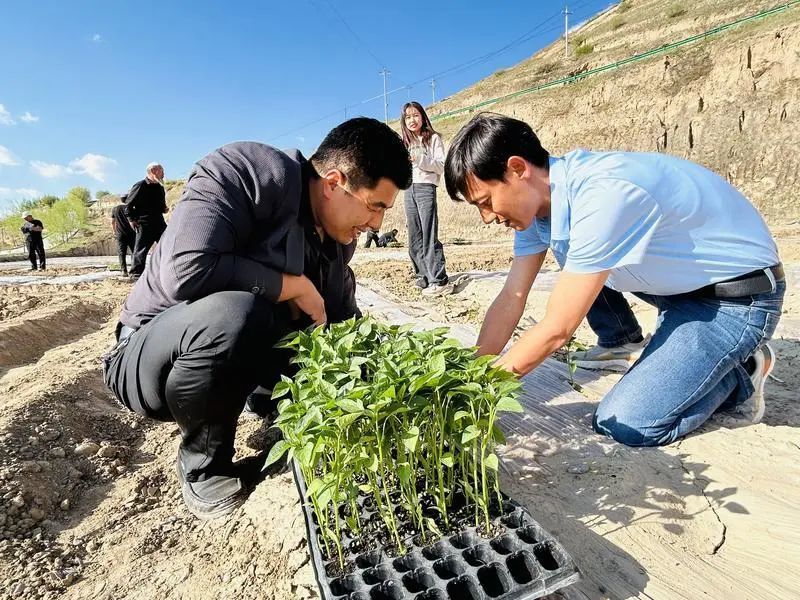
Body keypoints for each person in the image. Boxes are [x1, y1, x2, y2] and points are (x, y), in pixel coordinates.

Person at [102, 118, 411, 519]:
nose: (376, 225)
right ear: (334, 182)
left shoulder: (335, 240)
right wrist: (291, 286)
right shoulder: (249, 172)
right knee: (238, 313)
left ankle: (272, 406)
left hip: (235, 357)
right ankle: (203, 465)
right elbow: (187, 271)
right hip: (152, 361)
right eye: (375, 207)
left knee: (319, 326)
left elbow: (342, 323)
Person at [444, 113, 783, 447]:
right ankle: (627, 339)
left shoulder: (604, 195)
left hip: (735, 299)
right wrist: (471, 374)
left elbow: (558, 328)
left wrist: (481, 392)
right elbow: (511, 296)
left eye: (486, 202)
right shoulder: (536, 210)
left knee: (627, 423)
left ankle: (743, 371)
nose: (487, 218)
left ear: (518, 169)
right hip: (678, 289)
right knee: (580, 269)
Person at [400, 101, 451, 296]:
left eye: (415, 115)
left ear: (422, 117)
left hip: (425, 187)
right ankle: (423, 276)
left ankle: (440, 279)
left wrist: (419, 159)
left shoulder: (433, 139)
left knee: (429, 232)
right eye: (408, 117)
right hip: (409, 189)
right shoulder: (405, 142)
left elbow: (441, 165)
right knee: (414, 234)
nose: (412, 120)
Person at [125, 162, 168, 279]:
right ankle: (135, 275)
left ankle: (166, 271)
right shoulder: (140, 186)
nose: (163, 173)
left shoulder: (160, 188)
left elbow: (161, 205)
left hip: (159, 222)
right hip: (144, 223)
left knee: (168, 245)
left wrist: (164, 208)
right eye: (162, 170)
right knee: (140, 251)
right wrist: (131, 220)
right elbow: (128, 205)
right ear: (154, 171)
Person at [111, 195, 136, 277]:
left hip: (120, 234)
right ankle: (134, 270)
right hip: (131, 233)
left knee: (121, 253)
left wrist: (114, 232)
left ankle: (124, 271)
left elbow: (113, 222)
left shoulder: (115, 209)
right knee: (134, 252)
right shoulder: (131, 208)